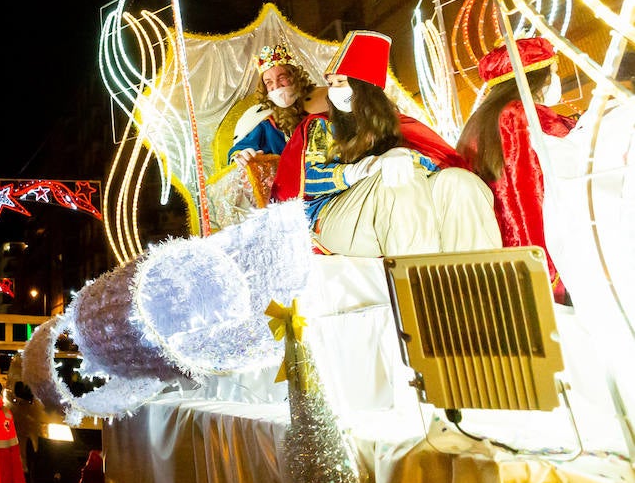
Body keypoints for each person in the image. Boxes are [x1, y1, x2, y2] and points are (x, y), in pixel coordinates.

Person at [271, 29, 502, 256]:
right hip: (330, 216)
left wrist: (405, 156)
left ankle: (480, 283)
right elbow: (304, 180)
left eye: (340, 82)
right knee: (397, 180)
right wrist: (362, 169)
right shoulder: (321, 126)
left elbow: (439, 162)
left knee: (460, 182)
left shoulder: (398, 125)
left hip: (393, 209)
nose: (332, 91)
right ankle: (417, 284)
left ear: (363, 86)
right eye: (331, 84)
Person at [456, 37, 577, 299]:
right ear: (537, 78)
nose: (556, 79)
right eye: (553, 71)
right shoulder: (526, 114)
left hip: (496, 256)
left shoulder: (478, 122)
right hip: (542, 252)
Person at [227, 42, 328, 164]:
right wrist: (242, 154)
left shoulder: (324, 102)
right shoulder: (265, 122)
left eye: (282, 78)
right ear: (264, 88)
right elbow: (241, 148)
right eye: (269, 82)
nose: (277, 86)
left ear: (295, 78)